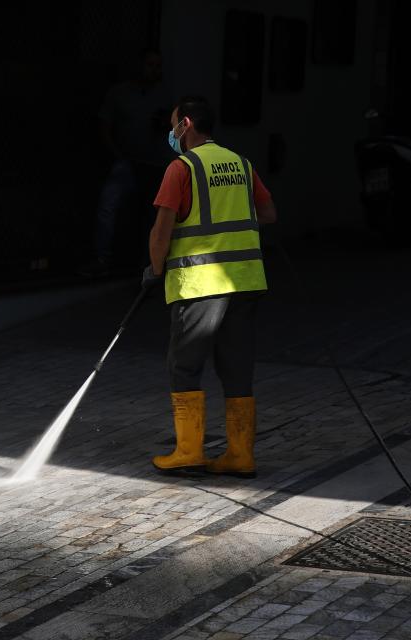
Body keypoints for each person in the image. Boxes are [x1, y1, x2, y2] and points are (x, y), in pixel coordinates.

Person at [143, 96, 276, 478]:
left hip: (201, 283)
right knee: (236, 368)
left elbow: (161, 231)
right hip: (245, 282)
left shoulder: (181, 168)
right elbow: (268, 213)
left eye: (173, 126)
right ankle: (240, 455)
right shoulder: (241, 163)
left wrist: (155, 270)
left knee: (184, 366)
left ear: (186, 124)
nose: (172, 133)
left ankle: (188, 451)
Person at [79, 49, 175, 277]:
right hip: (127, 163)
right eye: (150, 65)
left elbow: (174, 126)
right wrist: (117, 155)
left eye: (158, 66)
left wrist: (167, 125)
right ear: (139, 65)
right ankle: (102, 259)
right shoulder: (119, 93)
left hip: (154, 165)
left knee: (151, 217)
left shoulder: (163, 95)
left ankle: (146, 266)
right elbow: (104, 125)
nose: (155, 70)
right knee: (108, 206)